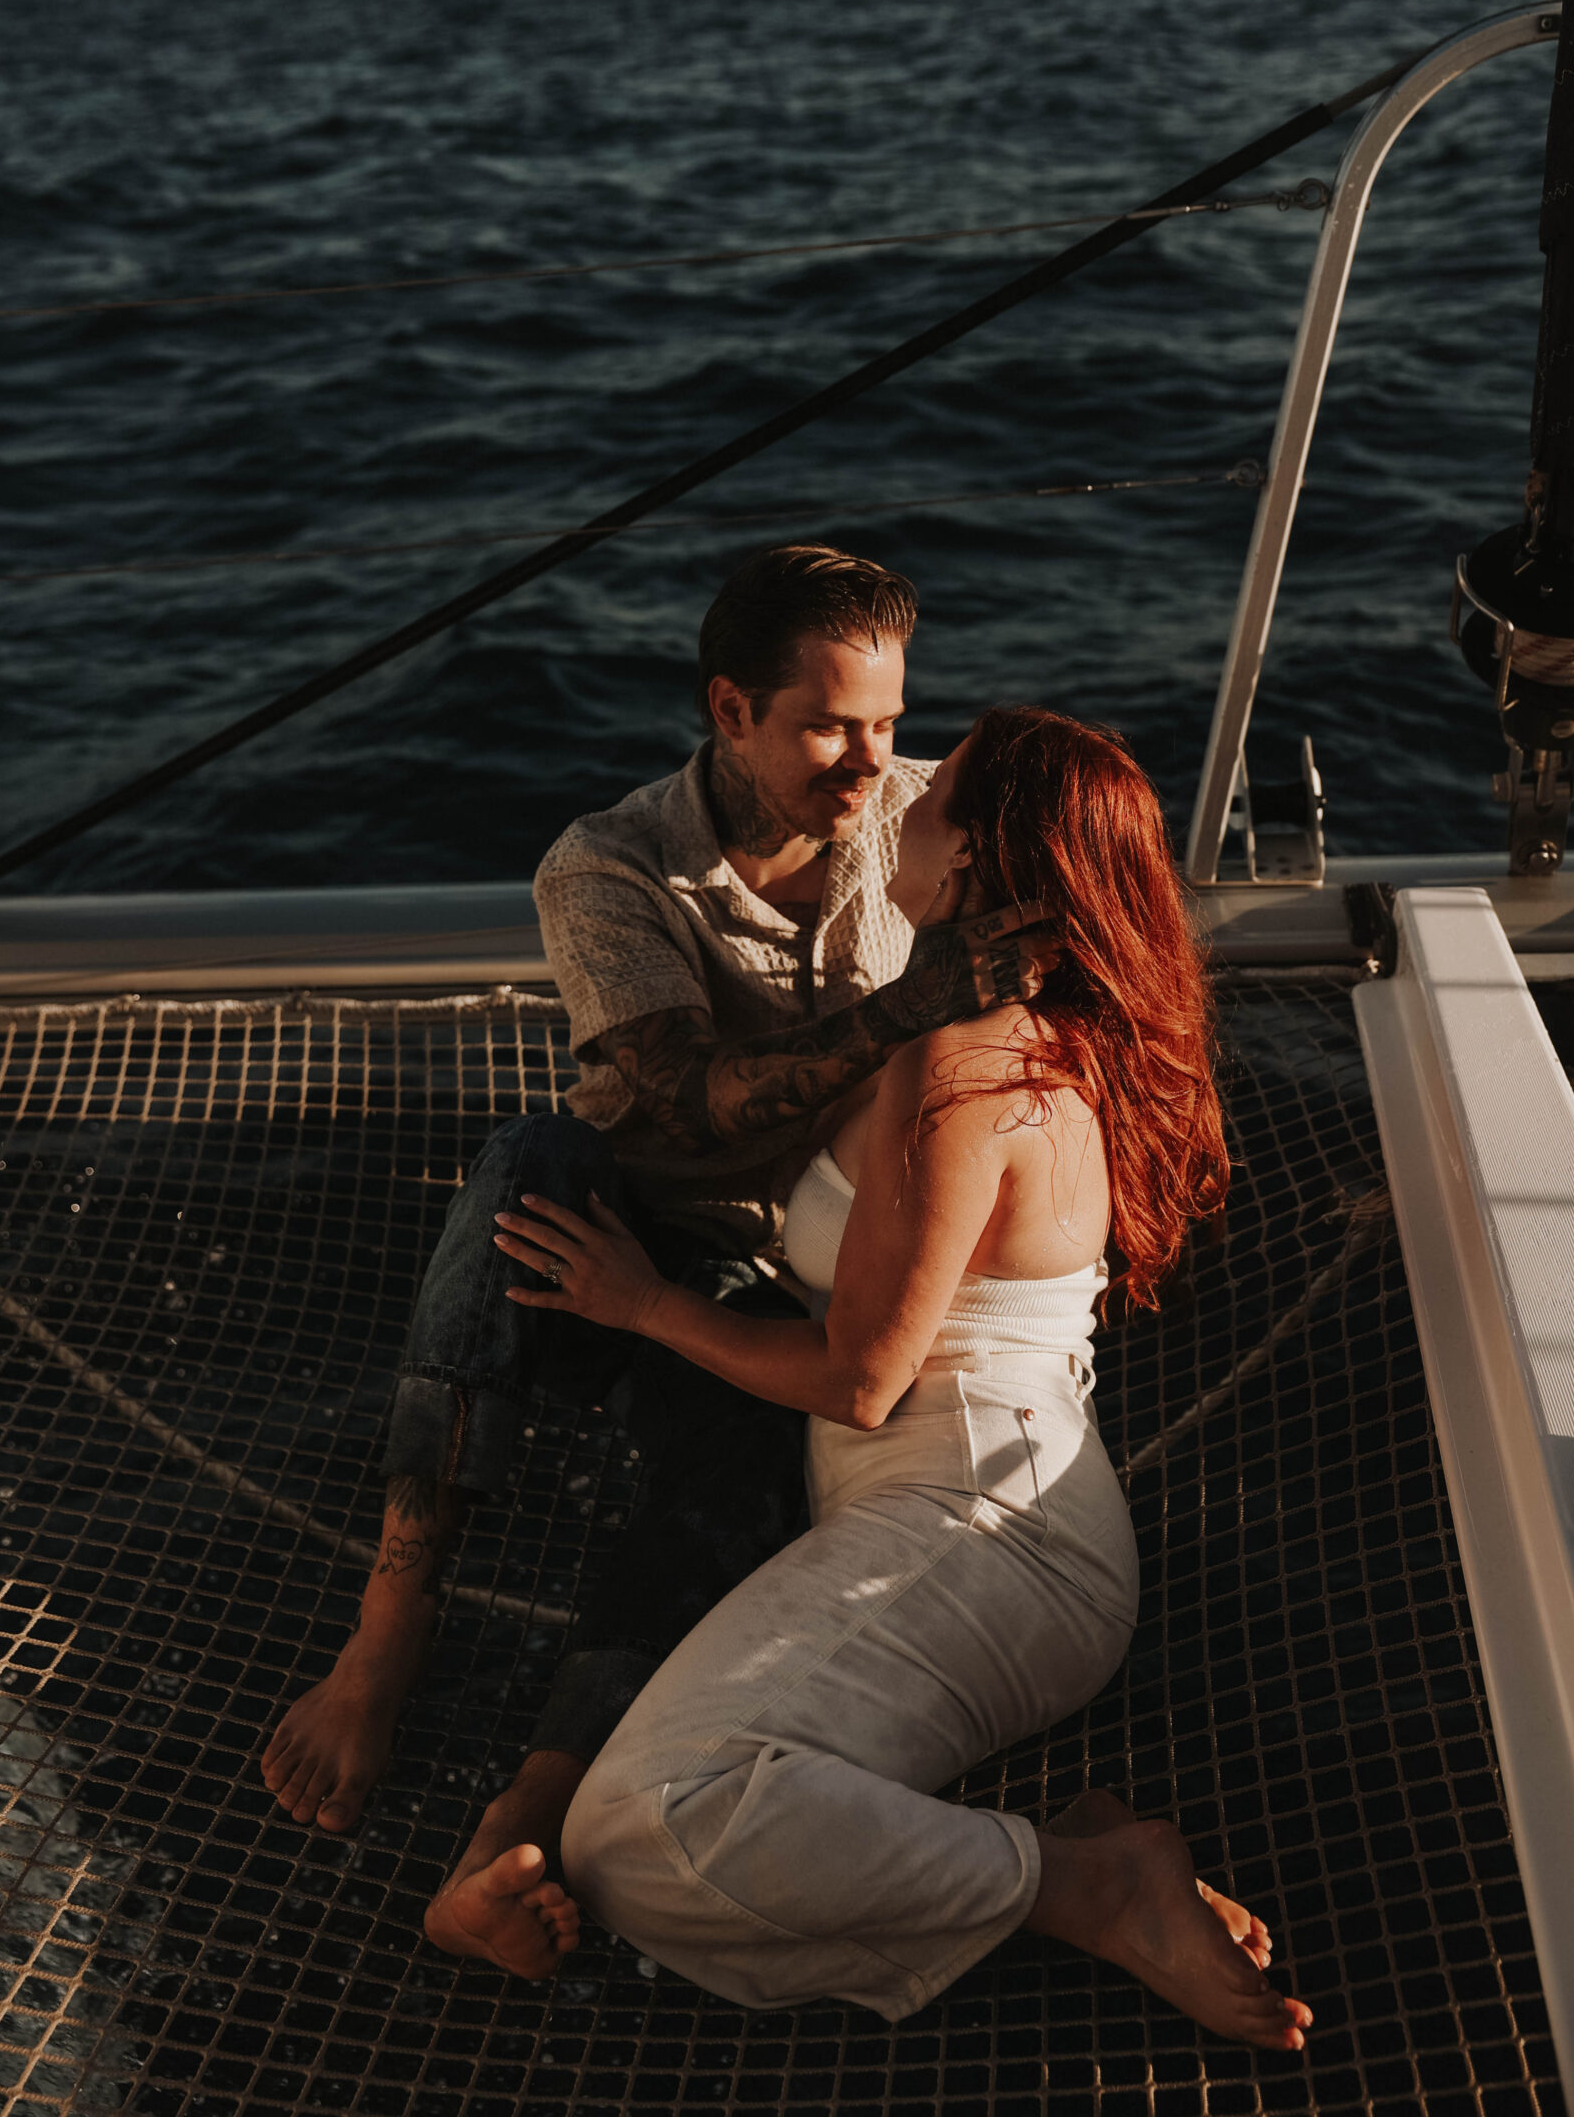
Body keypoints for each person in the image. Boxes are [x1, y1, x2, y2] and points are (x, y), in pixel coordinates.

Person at [444, 707, 1312, 2053]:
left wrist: (644, 1303)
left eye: (940, 790)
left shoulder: (967, 1070)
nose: (904, 802)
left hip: (984, 1529)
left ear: (971, 865)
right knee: (664, 1815)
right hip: (969, 1507)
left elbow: (859, 1383)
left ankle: (1089, 1886)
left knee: (645, 1830)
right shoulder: (1015, 1037)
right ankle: (1069, 1853)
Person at [260, 545, 1051, 1973]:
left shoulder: (928, 815)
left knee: (744, 1465)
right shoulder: (609, 866)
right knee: (523, 1163)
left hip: (811, 1274)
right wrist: (904, 1015)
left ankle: (525, 1816)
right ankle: (386, 1637)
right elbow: (679, 1100)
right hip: (626, 1230)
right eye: (828, 726)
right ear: (730, 707)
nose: (873, 763)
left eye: (887, 720)